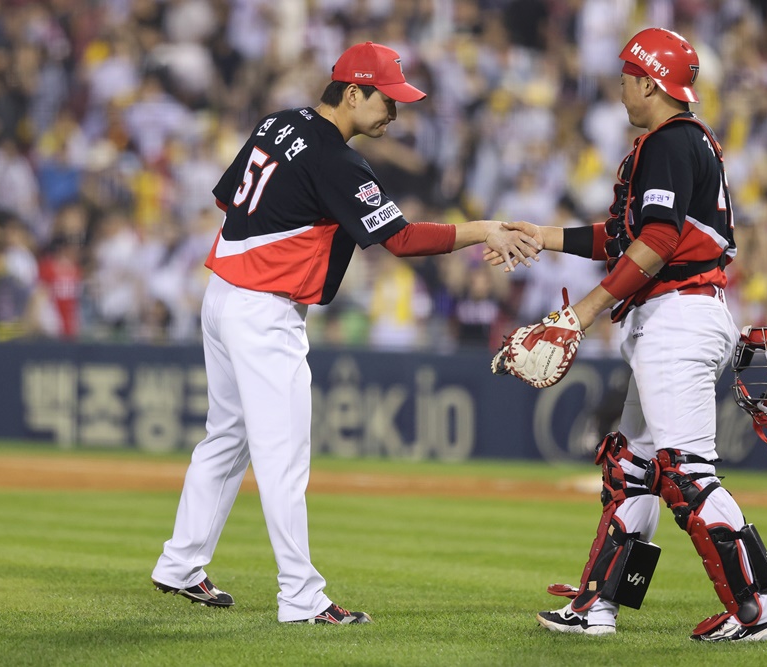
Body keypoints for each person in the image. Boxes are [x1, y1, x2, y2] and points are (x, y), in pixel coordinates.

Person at [151, 41, 540, 624]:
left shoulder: (278, 121)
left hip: (223, 293)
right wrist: (481, 228)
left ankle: (180, 563)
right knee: (282, 458)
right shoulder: (337, 159)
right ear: (353, 92)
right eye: (387, 99)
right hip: (263, 308)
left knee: (226, 437)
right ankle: (301, 597)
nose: (395, 112)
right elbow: (401, 239)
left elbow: (227, 197)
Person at [492, 28, 767, 641]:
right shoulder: (675, 144)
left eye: (628, 76)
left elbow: (654, 244)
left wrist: (584, 312)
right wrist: (545, 237)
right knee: (631, 468)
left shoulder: (671, 141)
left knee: (686, 474)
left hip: (678, 318)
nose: (621, 87)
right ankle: (600, 605)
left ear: (651, 82)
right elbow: (626, 235)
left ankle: (756, 610)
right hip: (677, 314)